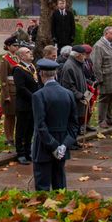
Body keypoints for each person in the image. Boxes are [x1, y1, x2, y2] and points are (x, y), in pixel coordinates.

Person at [31, 58, 78, 191]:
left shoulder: (38, 95)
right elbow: (74, 125)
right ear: (55, 74)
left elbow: (40, 125)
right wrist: (63, 145)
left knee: (42, 186)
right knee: (60, 186)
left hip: (44, 146)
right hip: (62, 142)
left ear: (41, 74)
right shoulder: (68, 94)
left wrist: (53, 146)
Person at [11, 45, 38, 165]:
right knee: (21, 129)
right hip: (24, 104)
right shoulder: (18, 69)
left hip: (33, 104)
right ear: (21, 56)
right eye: (27, 52)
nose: (30, 53)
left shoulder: (32, 67)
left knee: (30, 129)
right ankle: (20, 153)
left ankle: (28, 151)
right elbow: (21, 88)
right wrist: (34, 97)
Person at [92, 27, 112, 128]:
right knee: (104, 99)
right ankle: (101, 121)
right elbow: (96, 65)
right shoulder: (98, 46)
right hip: (106, 78)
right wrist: (100, 79)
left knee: (111, 98)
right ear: (106, 34)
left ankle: (109, 118)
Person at [57, 45, 90, 130]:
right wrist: (80, 95)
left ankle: (75, 140)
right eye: (84, 54)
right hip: (74, 101)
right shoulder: (69, 66)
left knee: (77, 124)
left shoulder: (78, 64)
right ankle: (72, 142)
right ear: (78, 55)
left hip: (79, 100)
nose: (85, 57)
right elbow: (67, 86)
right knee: (72, 125)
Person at [0, 37, 19, 145]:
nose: (16, 47)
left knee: (14, 115)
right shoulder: (4, 59)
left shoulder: (17, 58)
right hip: (9, 91)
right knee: (8, 115)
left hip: (17, 90)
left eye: (17, 45)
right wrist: (6, 95)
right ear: (8, 46)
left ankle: (12, 135)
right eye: (14, 45)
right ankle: (8, 137)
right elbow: (3, 79)